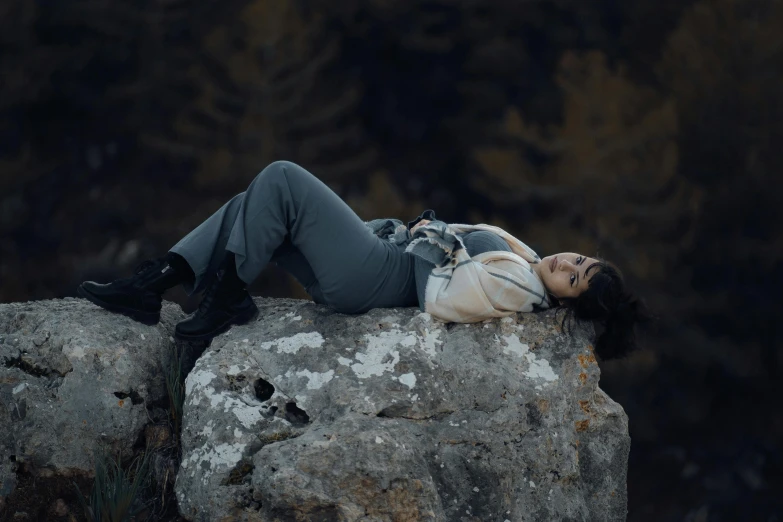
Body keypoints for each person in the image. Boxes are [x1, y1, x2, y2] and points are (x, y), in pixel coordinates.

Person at [77, 161, 649, 359]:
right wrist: (436, 230)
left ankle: (224, 298)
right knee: (251, 206)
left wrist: (432, 231)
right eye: (581, 261)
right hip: (378, 269)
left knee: (281, 177)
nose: (567, 267)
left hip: (379, 277)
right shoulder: (526, 261)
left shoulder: (522, 289)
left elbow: (448, 297)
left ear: (564, 299)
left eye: (575, 281)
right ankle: (154, 284)